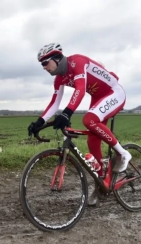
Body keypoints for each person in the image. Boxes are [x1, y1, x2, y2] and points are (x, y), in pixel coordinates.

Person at [28, 43, 131, 205]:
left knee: (89, 120)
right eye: (41, 64)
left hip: (114, 93)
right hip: (98, 97)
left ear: (56, 58)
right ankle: (102, 184)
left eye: (45, 63)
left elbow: (80, 89)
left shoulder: (77, 62)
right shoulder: (59, 79)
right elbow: (55, 103)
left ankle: (123, 153)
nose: (43, 67)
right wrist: (39, 122)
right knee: (92, 141)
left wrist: (67, 112)